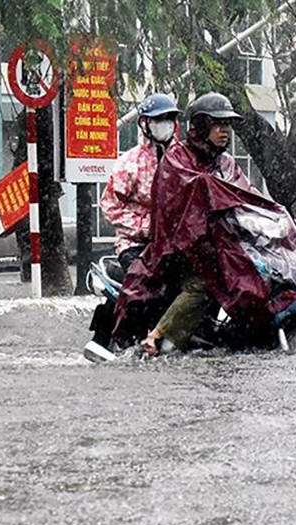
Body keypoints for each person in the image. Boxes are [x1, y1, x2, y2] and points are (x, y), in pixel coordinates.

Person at [111, 91, 296, 356]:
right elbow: (179, 204)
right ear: (202, 126)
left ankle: (233, 337)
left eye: (228, 125)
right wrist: (151, 227)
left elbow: (246, 195)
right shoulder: (176, 160)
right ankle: (158, 337)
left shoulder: (226, 163)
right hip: (175, 247)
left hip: (213, 245)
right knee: (205, 283)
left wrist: (271, 216)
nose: (225, 131)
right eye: (218, 124)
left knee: (249, 279)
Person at [84, 93, 180, 363]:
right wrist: (145, 229)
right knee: (146, 283)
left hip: (175, 243)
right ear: (145, 124)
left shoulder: (182, 161)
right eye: (159, 119)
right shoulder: (131, 163)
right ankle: (132, 339)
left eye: (169, 119)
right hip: (136, 245)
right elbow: (110, 205)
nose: (165, 124)